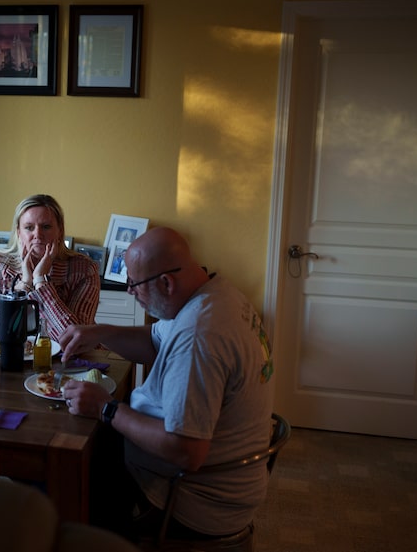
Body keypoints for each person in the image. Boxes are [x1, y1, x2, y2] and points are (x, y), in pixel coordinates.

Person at [59, 226, 274, 541]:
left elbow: (186, 451)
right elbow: (154, 341)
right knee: (92, 446)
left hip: (191, 501)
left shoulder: (200, 335)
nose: (130, 291)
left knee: (72, 470)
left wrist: (106, 408)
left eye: (133, 285)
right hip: (224, 479)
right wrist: (99, 332)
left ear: (166, 282)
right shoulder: (213, 294)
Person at [0, 194, 100, 341]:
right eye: (29, 227)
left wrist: (40, 281)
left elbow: (77, 340)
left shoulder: (84, 269)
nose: (38, 235)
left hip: (68, 361)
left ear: (60, 230)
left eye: (46, 227)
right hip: (10, 357)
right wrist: (23, 285)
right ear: (19, 232)